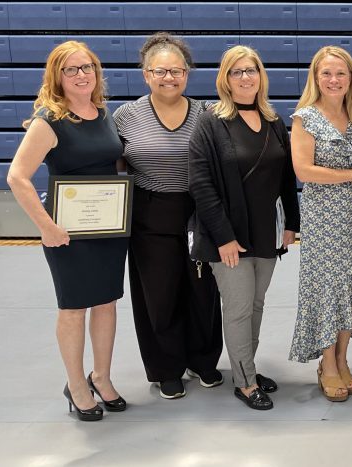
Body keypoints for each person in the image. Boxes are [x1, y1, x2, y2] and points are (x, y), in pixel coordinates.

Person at [6, 40, 127, 421]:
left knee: (106, 303)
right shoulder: (49, 119)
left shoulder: (104, 113)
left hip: (107, 228)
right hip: (68, 233)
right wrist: (47, 227)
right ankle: (76, 386)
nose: (81, 75)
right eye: (72, 69)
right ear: (57, 76)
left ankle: (101, 377)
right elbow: (17, 177)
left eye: (87, 67)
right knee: (74, 308)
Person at [188, 45, 300, 411]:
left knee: (255, 305)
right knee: (237, 309)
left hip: (267, 232)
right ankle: (245, 383)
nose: (245, 77)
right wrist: (224, 238)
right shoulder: (210, 122)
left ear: (260, 75)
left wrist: (292, 226)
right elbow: (201, 186)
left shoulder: (272, 119)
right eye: (236, 72)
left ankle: (246, 369)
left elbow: (286, 178)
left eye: (251, 70)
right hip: (229, 237)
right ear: (225, 78)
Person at [113, 32, 223, 400]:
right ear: (146, 74)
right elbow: (100, 153)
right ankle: (166, 367)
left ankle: (204, 360)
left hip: (198, 212)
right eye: (160, 71)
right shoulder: (126, 116)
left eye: (176, 71)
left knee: (202, 291)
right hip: (149, 215)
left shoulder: (207, 113)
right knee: (158, 296)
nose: (169, 78)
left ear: (187, 74)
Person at [289, 46, 352, 402]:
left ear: (351, 78)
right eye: (326, 73)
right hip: (322, 216)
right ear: (315, 77)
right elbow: (303, 170)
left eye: (341, 73)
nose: (334, 80)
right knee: (327, 291)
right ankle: (327, 363)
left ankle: (342, 358)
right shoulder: (305, 118)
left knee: (350, 288)